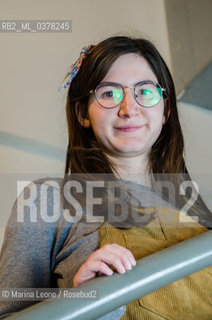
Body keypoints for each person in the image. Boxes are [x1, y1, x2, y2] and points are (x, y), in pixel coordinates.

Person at [0, 36, 211, 319]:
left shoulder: (200, 215)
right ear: (82, 113)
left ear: (166, 110)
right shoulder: (45, 200)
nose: (128, 109)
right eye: (109, 93)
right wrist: (85, 304)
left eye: (145, 92)